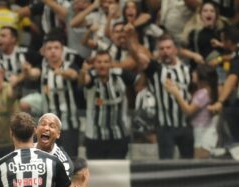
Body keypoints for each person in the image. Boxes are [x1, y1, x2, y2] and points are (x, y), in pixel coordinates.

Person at [127, 25, 194, 159]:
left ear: (175, 50)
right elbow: (137, 57)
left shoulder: (187, 70)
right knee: (166, 164)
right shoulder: (155, 69)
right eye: (162, 48)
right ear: (158, 51)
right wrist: (130, 38)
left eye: (168, 48)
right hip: (165, 127)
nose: (165, 51)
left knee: (189, 163)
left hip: (185, 125)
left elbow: (192, 93)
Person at [79, 51, 136, 159]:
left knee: (118, 172)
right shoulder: (91, 76)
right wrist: (83, 71)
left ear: (111, 64)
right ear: (94, 64)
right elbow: (83, 82)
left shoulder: (121, 75)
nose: (102, 65)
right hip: (94, 137)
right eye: (99, 62)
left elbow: (139, 82)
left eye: (106, 62)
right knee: (96, 174)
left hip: (119, 135)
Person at [164, 64, 219, 159]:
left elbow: (189, 111)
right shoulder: (202, 91)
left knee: (200, 163)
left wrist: (176, 94)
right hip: (199, 131)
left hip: (203, 132)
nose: (192, 74)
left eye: (195, 72)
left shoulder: (203, 93)